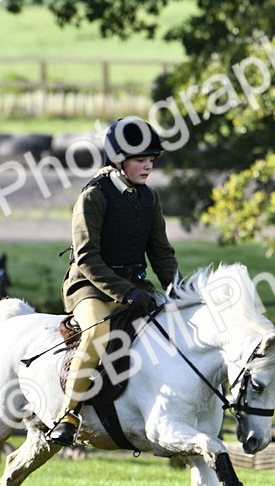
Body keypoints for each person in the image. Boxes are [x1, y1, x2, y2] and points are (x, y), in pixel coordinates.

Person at [46, 117, 178, 447]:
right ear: (119, 161)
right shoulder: (93, 197)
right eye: (140, 160)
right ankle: (69, 414)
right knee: (97, 334)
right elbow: (88, 258)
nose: (148, 165)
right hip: (89, 286)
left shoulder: (150, 198)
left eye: (151, 159)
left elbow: (161, 253)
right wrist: (127, 291)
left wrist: (178, 290)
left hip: (133, 285)